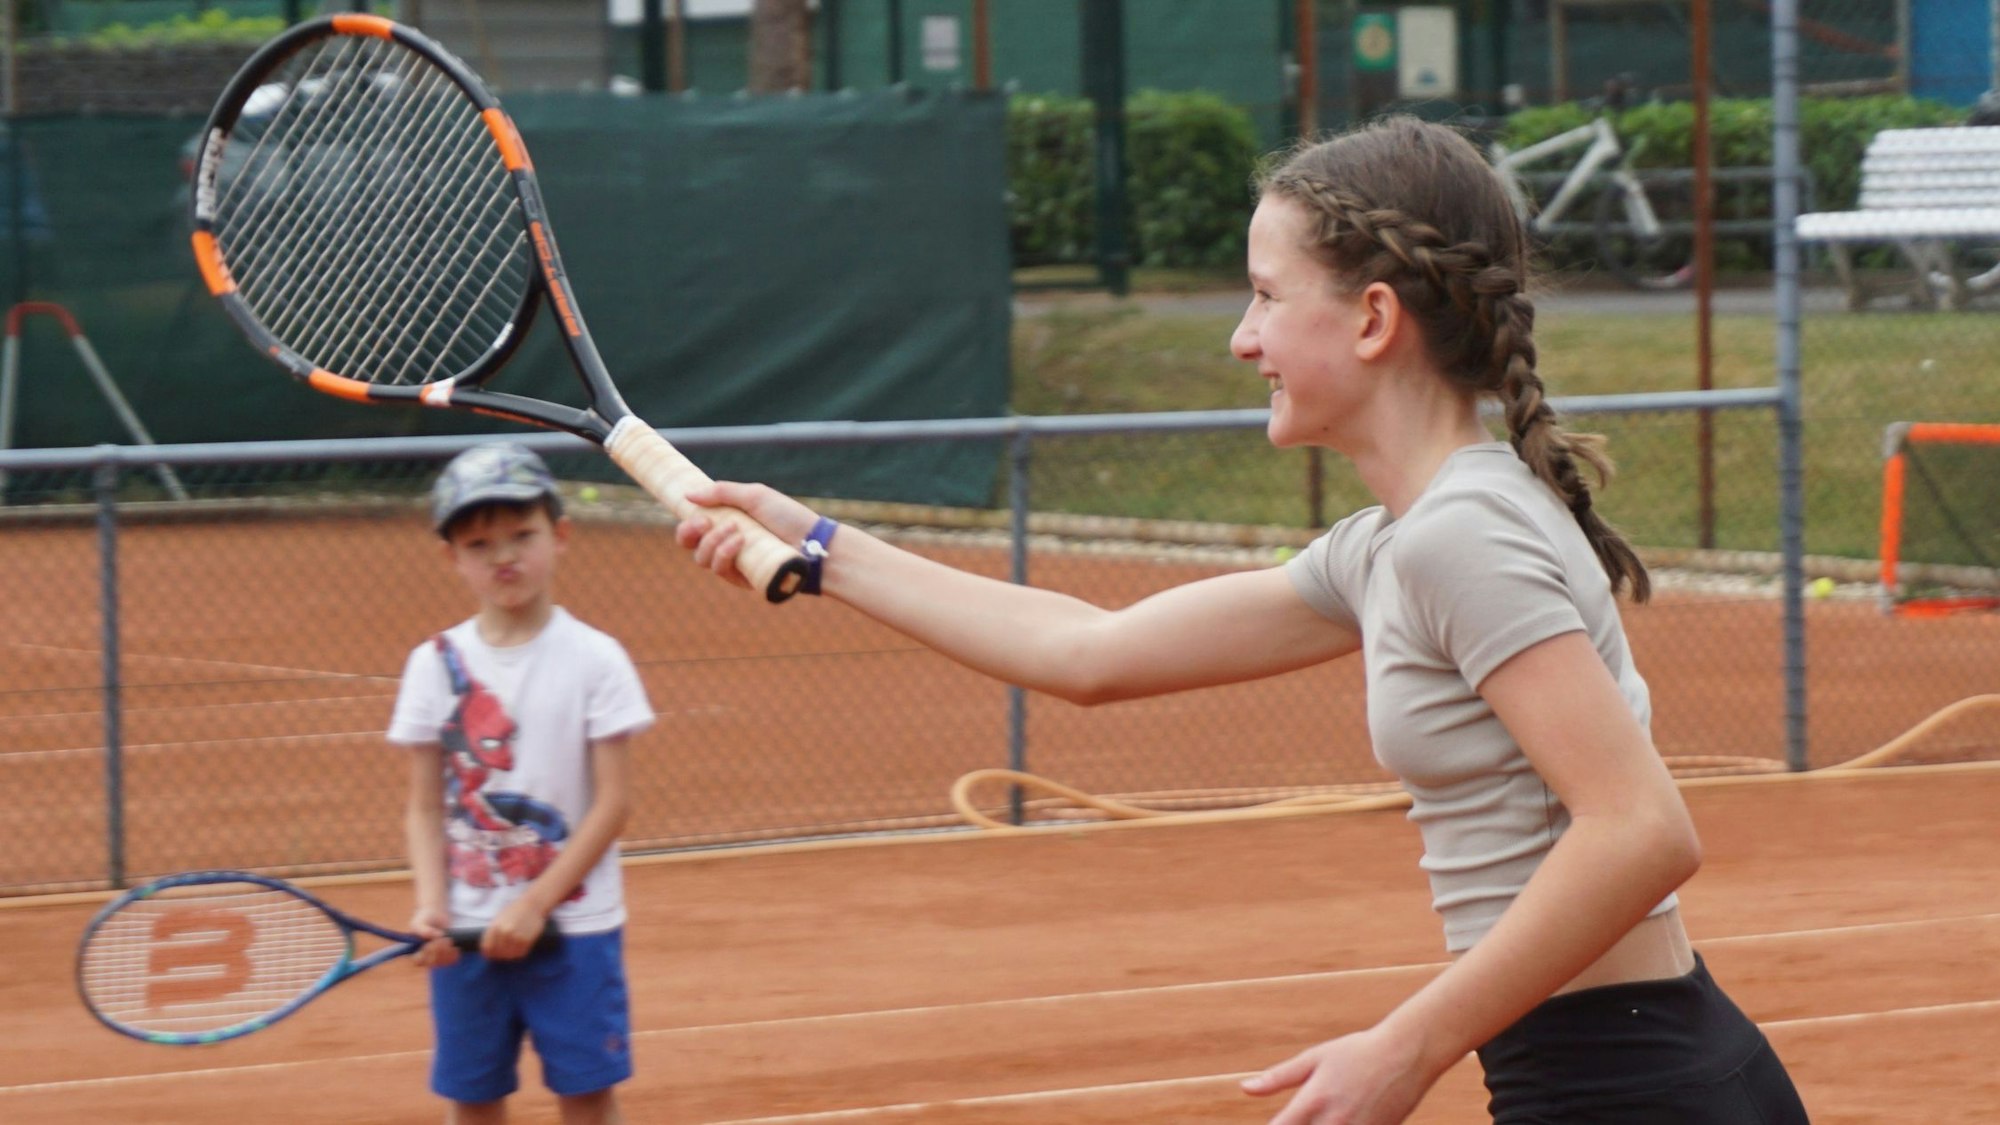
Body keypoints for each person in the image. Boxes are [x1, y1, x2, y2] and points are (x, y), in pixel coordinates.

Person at [674, 116, 1809, 1124]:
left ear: (1372, 318)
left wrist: (1400, 1050)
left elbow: (1639, 828)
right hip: (1625, 1070)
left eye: (1266, 295)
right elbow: (1089, 652)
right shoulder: (1399, 544)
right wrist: (816, 546)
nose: (1240, 336)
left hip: (1628, 1084)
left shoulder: (1456, 533)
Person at [388, 443, 655, 1125]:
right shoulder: (432, 663)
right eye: (480, 543)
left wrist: (536, 902)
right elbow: (422, 807)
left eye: (522, 535)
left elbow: (614, 803)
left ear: (560, 535)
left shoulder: (597, 658)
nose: (503, 556)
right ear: (452, 557)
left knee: (587, 1095)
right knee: (473, 1098)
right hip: (468, 931)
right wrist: (431, 909)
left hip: (574, 929)